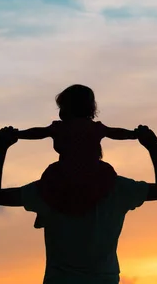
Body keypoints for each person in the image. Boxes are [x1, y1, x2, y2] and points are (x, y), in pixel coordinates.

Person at [0, 124, 157, 284]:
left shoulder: (46, 191)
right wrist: (152, 145)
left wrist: (2, 147)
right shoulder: (118, 189)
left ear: (58, 146)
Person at [15, 84, 138, 226]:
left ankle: (46, 209)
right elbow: (116, 133)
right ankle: (47, 209)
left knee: (50, 179)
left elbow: (37, 133)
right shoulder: (95, 127)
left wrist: (18, 134)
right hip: (88, 168)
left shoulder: (60, 128)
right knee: (54, 178)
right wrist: (134, 134)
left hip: (69, 169)